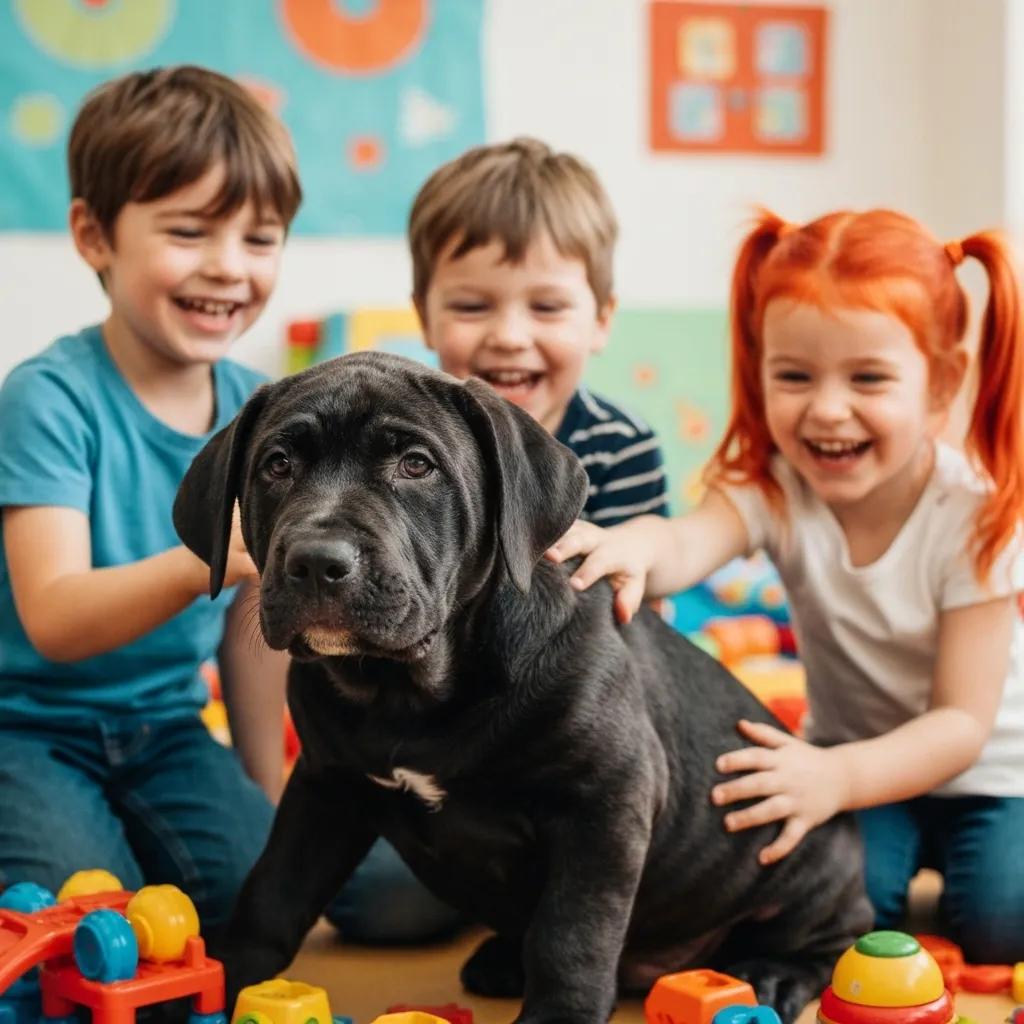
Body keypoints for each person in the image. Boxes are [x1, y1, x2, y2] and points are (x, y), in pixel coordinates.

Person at [548, 209, 1024, 963]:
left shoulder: (979, 516)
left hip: (995, 775)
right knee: (837, 908)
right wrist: (629, 546)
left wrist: (836, 776)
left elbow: (961, 726)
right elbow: (686, 541)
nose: (827, 409)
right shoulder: (778, 488)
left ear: (941, 384)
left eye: (868, 378)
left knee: (1001, 925)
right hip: (854, 762)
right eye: (794, 376)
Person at [327, 137, 670, 943]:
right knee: (387, 906)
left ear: (601, 320)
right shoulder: (399, 432)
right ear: (425, 314)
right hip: (433, 721)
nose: (510, 337)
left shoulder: (617, 443)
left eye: (546, 308)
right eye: (474, 306)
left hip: (563, 740)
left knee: (627, 862)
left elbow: (639, 629)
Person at [0, 65, 302, 932]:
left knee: (262, 902)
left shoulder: (260, 410)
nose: (227, 269)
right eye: (188, 232)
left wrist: (264, 793)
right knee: (90, 922)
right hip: (25, 731)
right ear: (94, 236)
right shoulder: (48, 397)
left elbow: (255, 624)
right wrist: (202, 557)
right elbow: (53, 619)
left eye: (260, 238)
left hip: (166, 730)